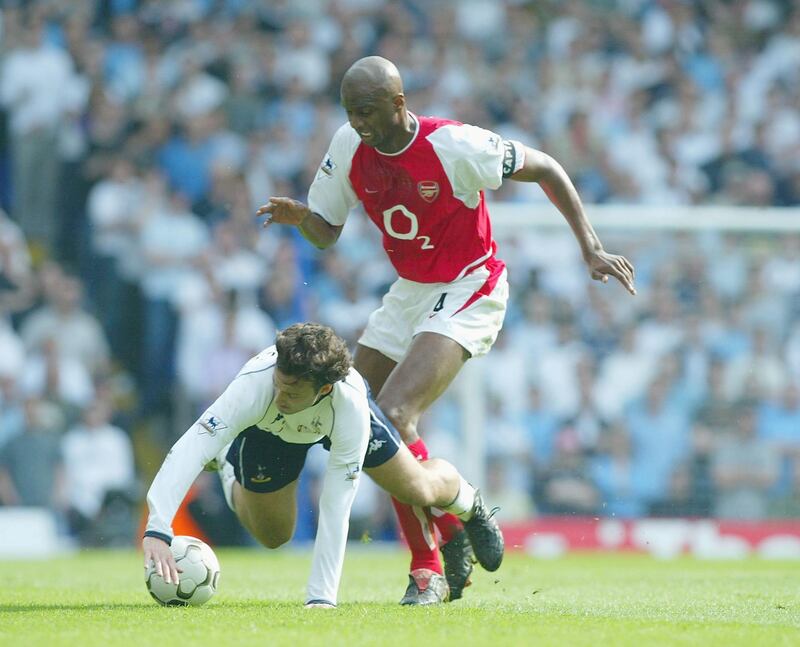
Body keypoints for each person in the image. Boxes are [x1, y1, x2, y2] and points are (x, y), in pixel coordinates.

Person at [256, 56, 636, 604]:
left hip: (470, 285)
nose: (358, 122)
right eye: (350, 112)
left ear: (399, 103)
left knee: (394, 412)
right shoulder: (348, 144)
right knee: (351, 413)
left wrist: (591, 248)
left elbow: (547, 167)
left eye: (367, 111)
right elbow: (326, 232)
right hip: (409, 292)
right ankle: (461, 515)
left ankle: (426, 569)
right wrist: (301, 220)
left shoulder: (454, 145)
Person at [142, 323, 503, 608]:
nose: (281, 397)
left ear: (324, 389)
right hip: (268, 433)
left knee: (416, 488)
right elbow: (189, 448)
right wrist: (158, 529)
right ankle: (227, 463)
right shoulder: (254, 387)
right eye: (279, 386)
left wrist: (321, 598)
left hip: (335, 425)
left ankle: (467, 502)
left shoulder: (349, 405)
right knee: (273, 536)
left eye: (293, 393)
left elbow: (335, 505)